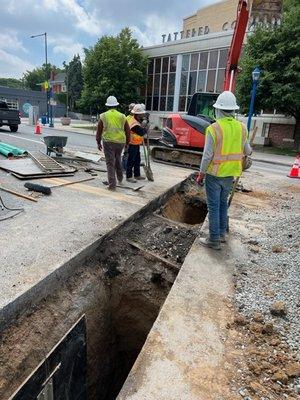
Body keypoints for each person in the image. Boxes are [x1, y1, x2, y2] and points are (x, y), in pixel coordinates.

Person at [197, 91, 252, 250]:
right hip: (230, 175)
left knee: (213, 207)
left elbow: (207, 156)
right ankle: (221, 233)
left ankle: (214, 240)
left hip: (214, 174)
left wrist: (201, 174)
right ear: (233, 110)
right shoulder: (242, 128)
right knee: (222, 204)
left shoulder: (213, 128)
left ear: (218, 110)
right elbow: (248, 151)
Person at [96, 95, 130, 191]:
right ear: (116, 106)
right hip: (120, 142)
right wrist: (127, 143)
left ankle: (112, 186)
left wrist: (98, 142)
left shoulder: (104, 116)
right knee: (118, 159)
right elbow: (127, 131)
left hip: (108, 142)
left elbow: (99, 131)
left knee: (110, 163)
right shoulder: (122, 116)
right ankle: (120, 178)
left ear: (107, 106)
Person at [126, 104, 147, 183]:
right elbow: (141, 132)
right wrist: (146, 127)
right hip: (132, 144)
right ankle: (129, 176)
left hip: (136, 143)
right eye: (141, 114)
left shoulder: (137, 120)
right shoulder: (134, 123)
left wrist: (144, 123)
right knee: (131, 160)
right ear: (138, 114)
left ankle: (137, 175)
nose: (143, 115)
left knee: (137, 160)